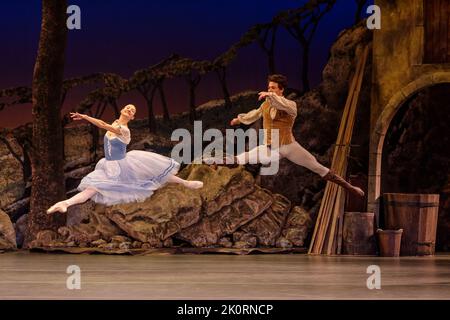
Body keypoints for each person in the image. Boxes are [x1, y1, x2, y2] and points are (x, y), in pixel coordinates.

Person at [47, 104, 203, 214]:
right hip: (108, 164)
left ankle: (185, 183)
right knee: (91, 188)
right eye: (128, 107)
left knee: (155, 174)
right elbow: (104, 124)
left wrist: (85, 116)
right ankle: (65, 203)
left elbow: (102, 124)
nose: (129, 109)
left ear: (132, 117)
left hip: (123, 164)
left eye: (132, 110)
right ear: (122, 110)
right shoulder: (115, 122)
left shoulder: (124, 130)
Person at [227, 74, 364, 197]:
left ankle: (349, 187)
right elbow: (254, 114)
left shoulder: (290, 105)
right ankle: (215, 162)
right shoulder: (265, 106)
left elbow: (281, 104)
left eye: (273, 88)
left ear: (281, 90)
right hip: (269, 148)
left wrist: (271, 96)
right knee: (242, 158)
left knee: (317, 167)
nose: (270, 90)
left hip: (289, 146)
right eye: (269, 88)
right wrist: (239, 120)